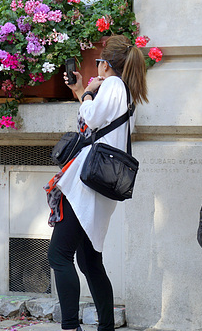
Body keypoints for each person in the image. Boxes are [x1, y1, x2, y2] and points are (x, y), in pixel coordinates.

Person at [46, 35, 148, 331]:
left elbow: (90, 119)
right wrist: (82, 90)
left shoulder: (114, 86)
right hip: (99, 185)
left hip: (85, 187)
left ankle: (69, 327)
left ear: (107, 65)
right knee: (89, 260)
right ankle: (105, 327)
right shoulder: (121, 91)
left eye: (100, 61)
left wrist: (88, 93)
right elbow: (98, 123)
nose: (97, 66)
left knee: (59, 255)